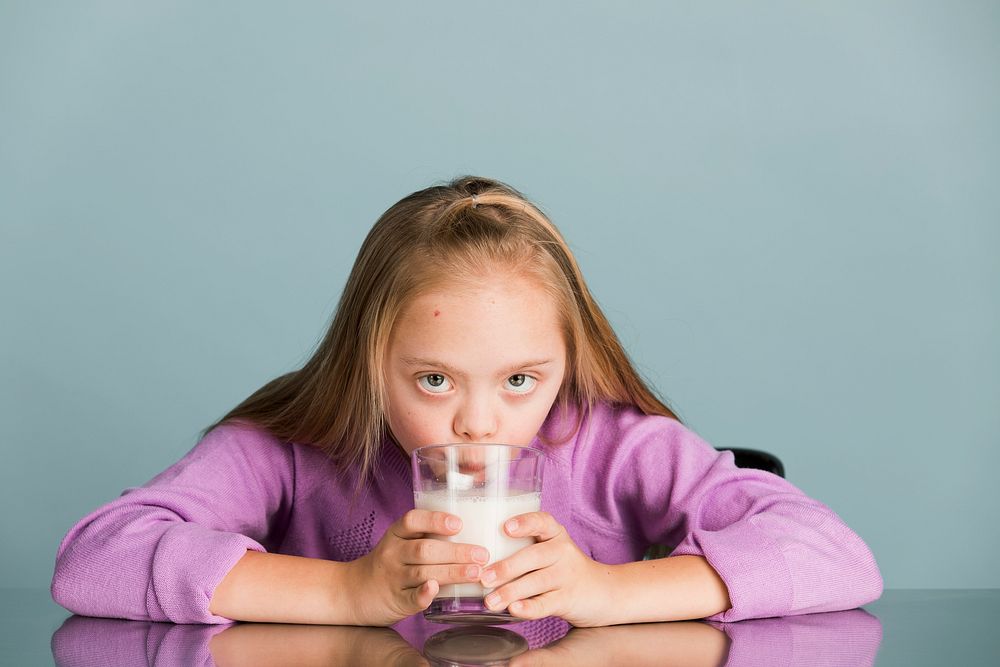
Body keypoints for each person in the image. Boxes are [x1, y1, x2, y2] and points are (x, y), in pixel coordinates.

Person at [51, 176, 883, 626]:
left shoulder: (620, 446)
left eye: (522, 380)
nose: (479, 422)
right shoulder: (291, 448)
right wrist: (345, 594)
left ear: (570, 363)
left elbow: (838, 555)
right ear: (369, 360)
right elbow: (94, 560)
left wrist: (609, 593)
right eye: (435, 380)